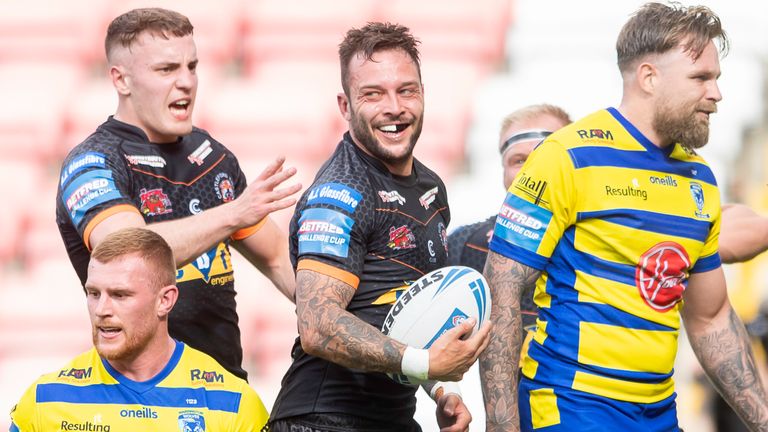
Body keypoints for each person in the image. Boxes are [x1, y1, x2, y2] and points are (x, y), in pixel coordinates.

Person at [479, 3, 768, 431]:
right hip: (571, 406)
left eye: (717, 79)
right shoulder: (567, 156)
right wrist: (501, 427)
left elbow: (709, 319)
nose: (716, 93)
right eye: (700, 78)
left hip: (659, 412)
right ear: (649, 77)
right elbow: (500, 292)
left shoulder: (699, 178)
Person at [55, 7, 301, 381]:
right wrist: (233, 214)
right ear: (121, 80)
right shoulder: (93, 163)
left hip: (224, 390)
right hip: (139, 394)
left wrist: (344, 321)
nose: (186, 82)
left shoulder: (211, 157)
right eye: (167, 69)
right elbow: (128, 253)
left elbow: (278, 260)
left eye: (192, 66)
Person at [268, 22, 492, 432]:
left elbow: (404, 316)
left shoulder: (430, 188)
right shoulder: (340, 191)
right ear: (345, 105)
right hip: (321, 419)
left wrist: (438, 387)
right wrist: (425, 364)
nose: (394, 107)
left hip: (392, 418)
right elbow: (317, 325)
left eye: (406, 90)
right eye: (373, 94)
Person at [10, 228, 269, 431]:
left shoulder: (232, 404)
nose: (101, 309)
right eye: (94, 293)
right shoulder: (45, 400)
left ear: (165, 300)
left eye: (120, 295)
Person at [448, 104, 572, 344]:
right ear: (503, 172)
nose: (530, 172)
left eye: (543, 157)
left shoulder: (604, 240)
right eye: (518, 161)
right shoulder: (465, 245)